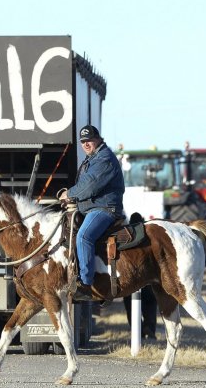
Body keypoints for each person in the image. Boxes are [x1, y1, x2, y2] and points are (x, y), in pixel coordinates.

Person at [58, 124, 125, 300]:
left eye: (89, 140)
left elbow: (90, 185)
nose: (86, 144)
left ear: (98, 139)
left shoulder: (104, 159)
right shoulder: (93, 158)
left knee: (83, 236)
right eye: (83, 141)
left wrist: (69, 194)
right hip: (90, 208)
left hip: (104, 208)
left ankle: (86, 285)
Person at [122, 212, 158, 341]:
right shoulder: (149, 237)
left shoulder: (125, 238)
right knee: (151, 304)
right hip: (148, 279)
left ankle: (138, 331)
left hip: (132, 280)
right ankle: (150, 329)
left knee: (130, 306)